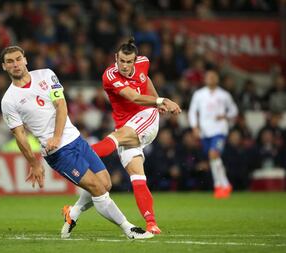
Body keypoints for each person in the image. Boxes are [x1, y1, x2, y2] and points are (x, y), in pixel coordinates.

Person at [0, 45, 153, 240]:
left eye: (18, 59)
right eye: (10, 61)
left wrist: (57, 135)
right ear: (4, 67)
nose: (16, 64)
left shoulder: (46, 75)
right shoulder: (9, 100)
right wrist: (34, 163)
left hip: (75, 139)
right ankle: (128, 229)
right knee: (97, 189)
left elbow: (61, 105)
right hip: (58, 153)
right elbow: (20, 135)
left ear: (25, 60)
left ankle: (72, 213)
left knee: (105, 184)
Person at [81, 38, 182, 235]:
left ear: (135, 61)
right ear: (115, 58)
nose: (125, 66)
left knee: (115, 138)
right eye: (122, 61)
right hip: (127, 126)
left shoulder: (144, 62)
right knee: (137, 177)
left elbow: (146, 80)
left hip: (145, 117)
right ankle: (151, 222)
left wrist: (155, 102)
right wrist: (162, 100)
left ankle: (77, 154)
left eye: (129, 62)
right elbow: (133, 96)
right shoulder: (109, 76)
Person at [188, 69, 238, 198]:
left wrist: (225, 116)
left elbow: (234, 110)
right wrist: (194, 127)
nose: (211, 78)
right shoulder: (199, 94)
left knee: (213, 154)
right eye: (208, 76)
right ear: (205, 79)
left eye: (213, 76)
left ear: (217, 79)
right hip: (205, 131)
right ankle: (225, 185)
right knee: (214, 158)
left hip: (220, 130)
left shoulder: (224, 95)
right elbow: (192, 111)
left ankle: (218, 185)